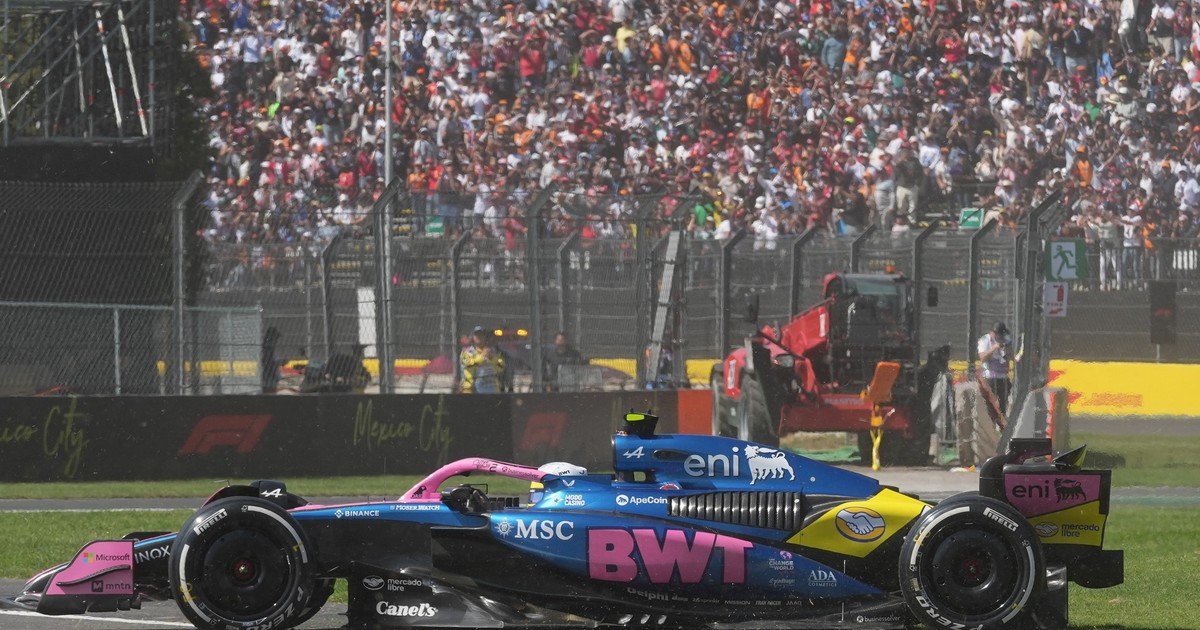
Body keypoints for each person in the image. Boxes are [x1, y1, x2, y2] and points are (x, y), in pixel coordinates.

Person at [977, 322, 1012, 414]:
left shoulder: (1006, 339)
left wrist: (1007, 350)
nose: (1000, 336)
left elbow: (1010, 356)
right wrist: (994, 347)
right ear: (992, 333)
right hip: (990, 376)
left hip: (1003, 376)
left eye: (1002, 334)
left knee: (1003, 405)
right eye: (998, 334)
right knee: (991, 406)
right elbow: (982, 358)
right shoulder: (985, 340)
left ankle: (1002, 419)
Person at [460, 326, 505, 393]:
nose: (479, 337)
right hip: (472, 390)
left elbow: (501, 367)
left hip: (493, 389)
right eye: (476, 335)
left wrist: (491, 358)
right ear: (472, 337)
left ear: (485, 337)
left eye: (481, 335)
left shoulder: (494, 352)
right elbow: (469, 365)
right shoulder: (467, 352)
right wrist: (482, 357)